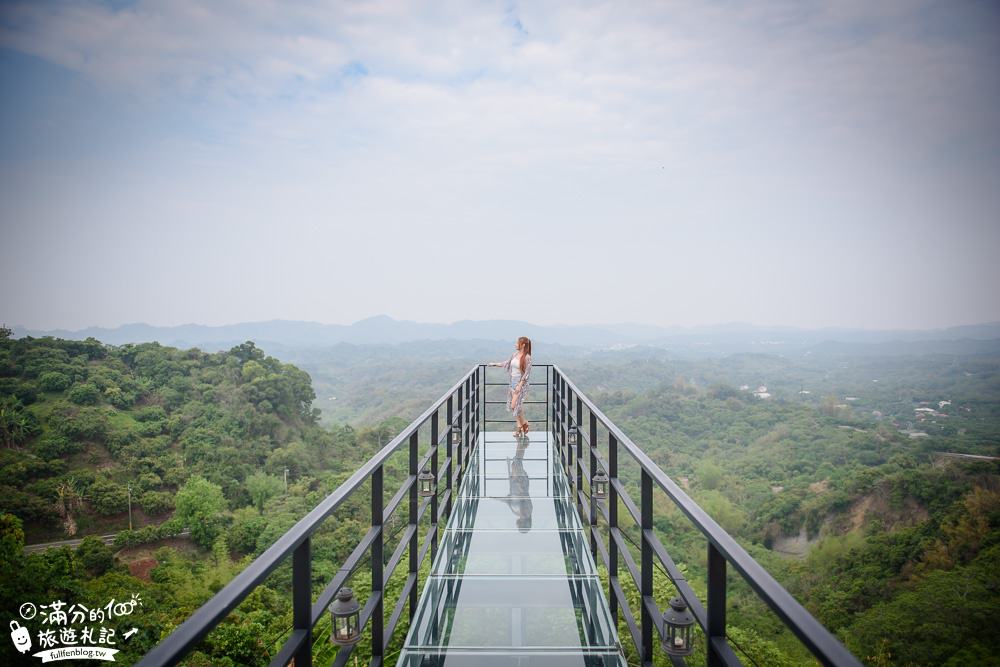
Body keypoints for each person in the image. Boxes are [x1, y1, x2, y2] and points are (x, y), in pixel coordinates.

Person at [487, 336, 533, 438]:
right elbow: (507, 363)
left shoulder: (527, 357)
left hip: (520, 384)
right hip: (512, 382)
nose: (515, 344)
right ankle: (520, 427)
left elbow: (527, 373)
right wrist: (495, 364)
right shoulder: (515, 354)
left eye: (517, 343)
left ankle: (524, 424)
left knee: (514, 406)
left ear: (523, 345)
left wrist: (520, 386)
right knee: (517, 407)